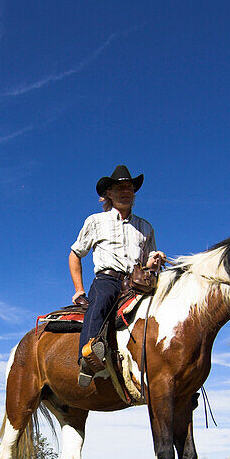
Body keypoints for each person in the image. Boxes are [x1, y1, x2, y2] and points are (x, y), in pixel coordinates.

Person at [69, 165, 164, 387]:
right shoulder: (95, 221)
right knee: (100, 301)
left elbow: (149, 264)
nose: (125, 191)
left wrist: (154, 262)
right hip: (108, 279)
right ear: (109, 194)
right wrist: (79, 290)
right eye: (119, 187)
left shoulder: (146, 227)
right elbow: (75, 255)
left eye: (129, 187)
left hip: (138, 283)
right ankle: (88, 355)